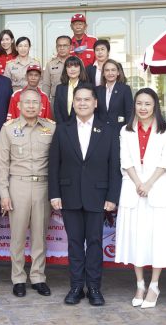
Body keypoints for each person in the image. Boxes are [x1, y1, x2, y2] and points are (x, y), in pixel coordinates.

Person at [48, 84, 120, 306]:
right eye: (78, 99)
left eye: (86, 99)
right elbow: (54, 165)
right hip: (69, 195)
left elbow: (114, 166)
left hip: (98, 196)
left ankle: (95, 288)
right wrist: (54, 194)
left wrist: (112, 196)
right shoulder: (62, 129)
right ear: (73, 103)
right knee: (75, 243)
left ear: (95, 103)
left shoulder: (107, 130)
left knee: (96, 243)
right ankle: (77, 286)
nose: (82, 103)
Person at [115, 88, 166, 309]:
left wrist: (149, 183)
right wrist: (138, 183)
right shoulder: (126, 130)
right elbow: (125, 160)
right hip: (133, 189)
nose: (143, 108)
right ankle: (140, 284)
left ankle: (154, 285)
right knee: (136, 239)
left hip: (157, 189)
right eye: (139, 103)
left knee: (157, 239)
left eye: (147, 104)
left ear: (155, 106)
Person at [0, 88, 55, 298]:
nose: (31, 106)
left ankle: (38, 277)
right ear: (19, 105)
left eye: (35, 103)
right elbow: (2, 163)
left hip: (43, 186)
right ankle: (18, 278)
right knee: (18, 236)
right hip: (17, 186)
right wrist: (4, 193)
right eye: (27, 102)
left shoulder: (50, 128)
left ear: (41, 106)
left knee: (40, 235)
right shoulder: (9, 129)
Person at [95, 59, 133, 128]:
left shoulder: (125, 89)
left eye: (113, 70)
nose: (110, 73)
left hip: (119, 131)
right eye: (107, 70)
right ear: (103, 73)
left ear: (118, 72)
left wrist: (127, 131)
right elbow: (95, 112)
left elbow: (129, 113)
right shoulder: (97, 90)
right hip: (101, 132)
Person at [53, 55, 89, 124]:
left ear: (80, 68)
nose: (72, 69)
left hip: (82, 126)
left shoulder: (87, 87)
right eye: (69, 67)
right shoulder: (60, 88)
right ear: (65, 69)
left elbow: (89, 109)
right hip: (63, 126)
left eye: (75, 66)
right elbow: (57, 110)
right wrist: (62, 126)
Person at [42, 35, 72, 103]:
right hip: (55, 100)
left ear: (70, 47)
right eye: (59, 46)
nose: (62, 48)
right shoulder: (50, 64)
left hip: (74, 99)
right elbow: (46, 85)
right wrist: (45, 102)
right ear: (56, 47)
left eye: (65, 45)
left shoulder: (77, 62)